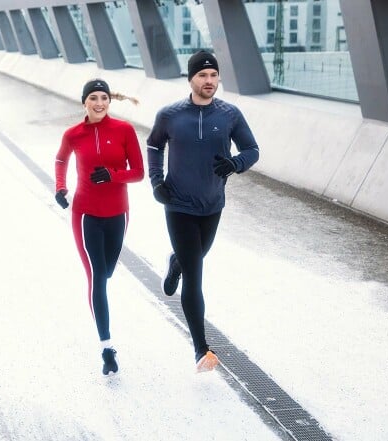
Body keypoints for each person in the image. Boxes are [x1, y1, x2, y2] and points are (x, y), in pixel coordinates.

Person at [146, 50, 259, 373]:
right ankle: (201, 350)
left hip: (212, 205)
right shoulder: (170, 115)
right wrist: (157, 181)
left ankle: (175, 262)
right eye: (202, 76)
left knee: (196, 257)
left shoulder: (229, 115)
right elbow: (154, 145)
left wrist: (235, 164)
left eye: (213, 75)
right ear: (190, 79)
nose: (209, 81)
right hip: (178, 205)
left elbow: (252, 150)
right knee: (195, 277)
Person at [54, 79, 144, 376]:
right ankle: (107, 347)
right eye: (93, 98)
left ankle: (104, 338)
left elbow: (139, 173)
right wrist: (61, 187)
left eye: (103, 97)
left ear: (109, 101)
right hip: (85, 214)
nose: (98, 103)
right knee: (96, 278)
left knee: (106, 272)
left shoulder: (124, 130)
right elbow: (60, 159)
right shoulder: (73, 134)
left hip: (118, 214)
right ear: (84, 103)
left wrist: (114, 175)